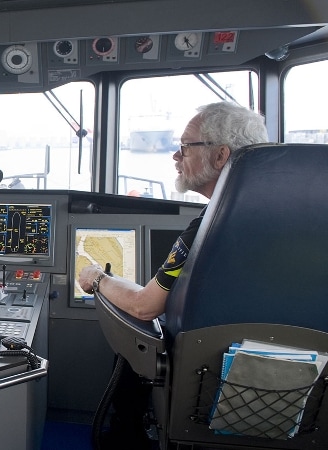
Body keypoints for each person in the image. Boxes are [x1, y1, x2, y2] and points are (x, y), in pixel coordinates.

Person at [78, 101, 269, 449]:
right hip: (290, 386)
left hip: (204, 380)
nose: (175, 156)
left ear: (220, 155)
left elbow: (144, 306)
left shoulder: (205, 230)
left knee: (135, 336)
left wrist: (98, 279)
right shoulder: (285, 221)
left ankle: (128, 438)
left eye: (184, 147)